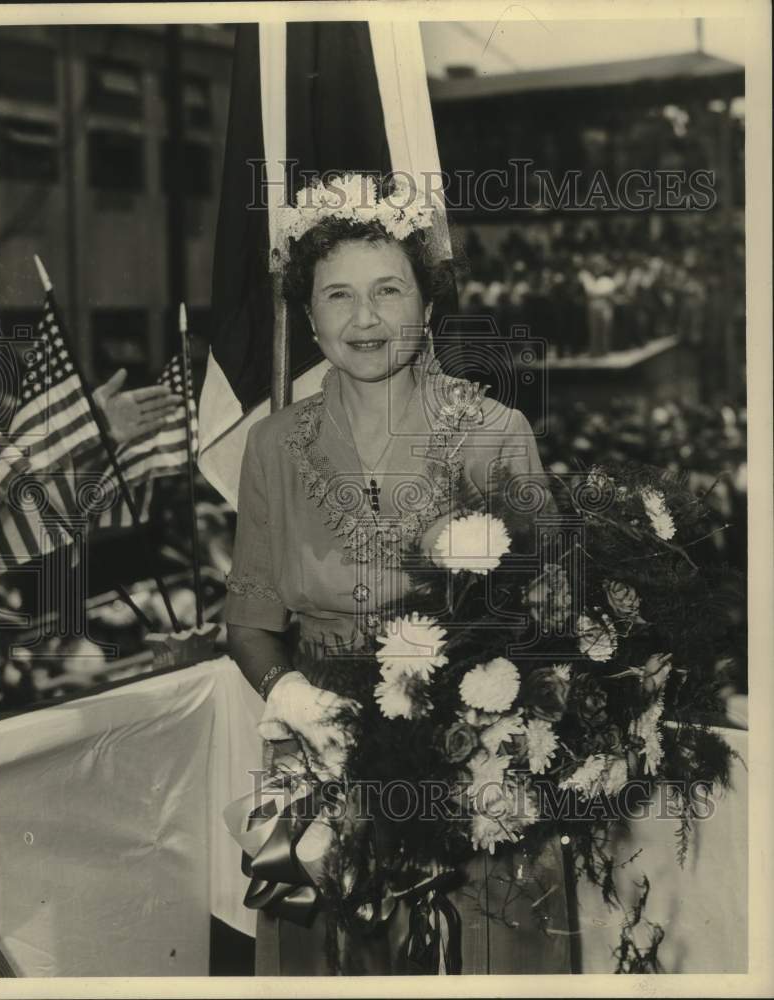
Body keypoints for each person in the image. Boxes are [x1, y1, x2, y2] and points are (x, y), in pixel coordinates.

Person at [225, 176, 571, 975]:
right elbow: (249, 618)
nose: (365, 318)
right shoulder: (272, 447)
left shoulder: (494, 432)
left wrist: (488, 736)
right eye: (337, 297)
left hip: (468, 769)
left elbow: (554, 615)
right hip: (317, 765)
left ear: (426, 303)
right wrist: (290, 696)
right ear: (309, 321)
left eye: (387, 290)